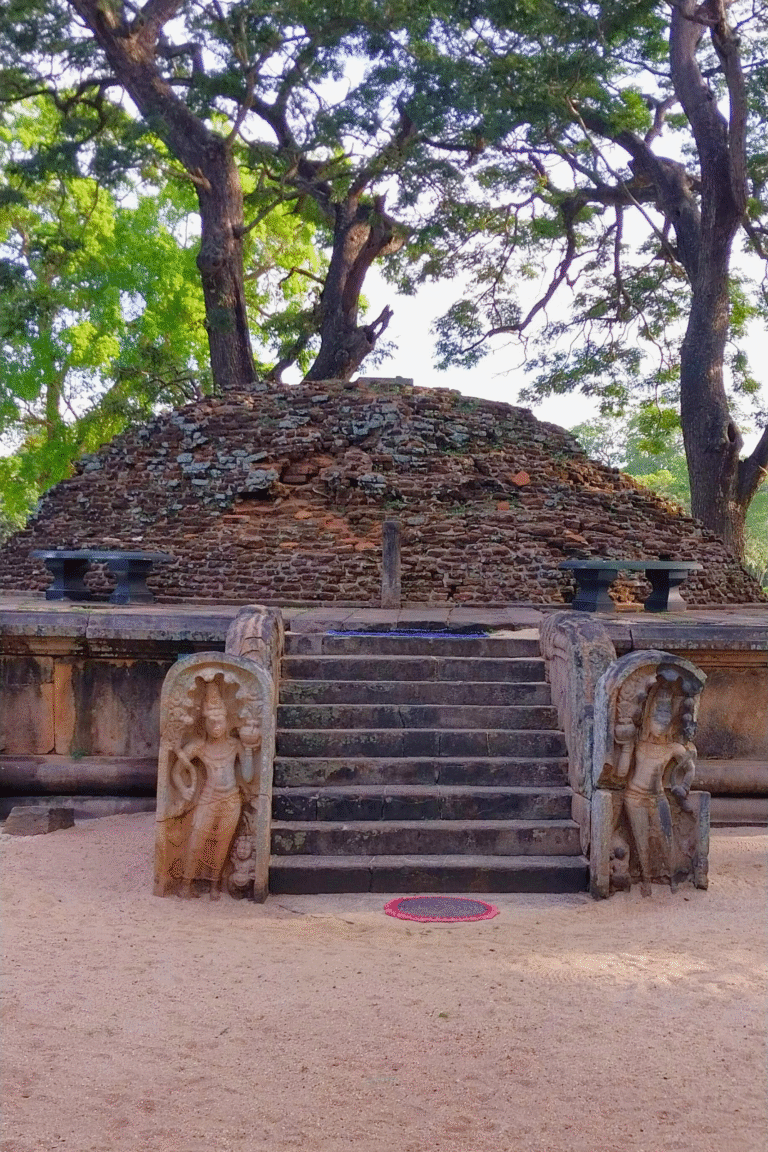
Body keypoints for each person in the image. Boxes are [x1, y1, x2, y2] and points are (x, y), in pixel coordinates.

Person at [171, 678, 260, 899]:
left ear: (227, 721)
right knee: (196, 841)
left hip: (230, 800)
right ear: (205, 723)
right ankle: (185, 883)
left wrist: (249, 749)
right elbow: (176, 771)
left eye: (219, 721)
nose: (216, 726)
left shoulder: (234, 745)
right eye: (211, 722)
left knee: (222, 844)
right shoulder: (199, 747)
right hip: (208, 798)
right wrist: (184, 789)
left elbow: (248, 776)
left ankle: (214, 884)